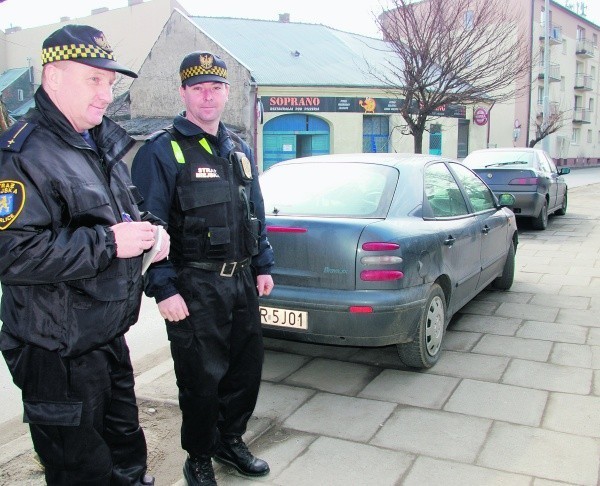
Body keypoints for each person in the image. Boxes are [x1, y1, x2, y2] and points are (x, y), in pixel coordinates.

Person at [0, 24, 170, 485]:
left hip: (105, 339)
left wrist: (151, 235)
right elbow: (13, 254)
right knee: (81, 471)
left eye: (110, 82)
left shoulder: (95, 144)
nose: (106, 93)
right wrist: (112, 244)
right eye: (93, 79)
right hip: (56, 352)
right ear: (53, 78)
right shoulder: (23, 153)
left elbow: (117, 215)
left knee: (127, 454)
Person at [131, 51, 275, 485]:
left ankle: (230, 441)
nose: (208, 96)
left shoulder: (239, 148)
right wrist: (163, 288)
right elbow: (148, 227)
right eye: (198, 88)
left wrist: (263, 264)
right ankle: (198, 456)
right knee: (200, 380)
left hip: (242, 282)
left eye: (216, 87)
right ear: (183, 93)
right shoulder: (162, 150)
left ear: (227, 93)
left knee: (244, 371)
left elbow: (255, 213)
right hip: (195, 286)